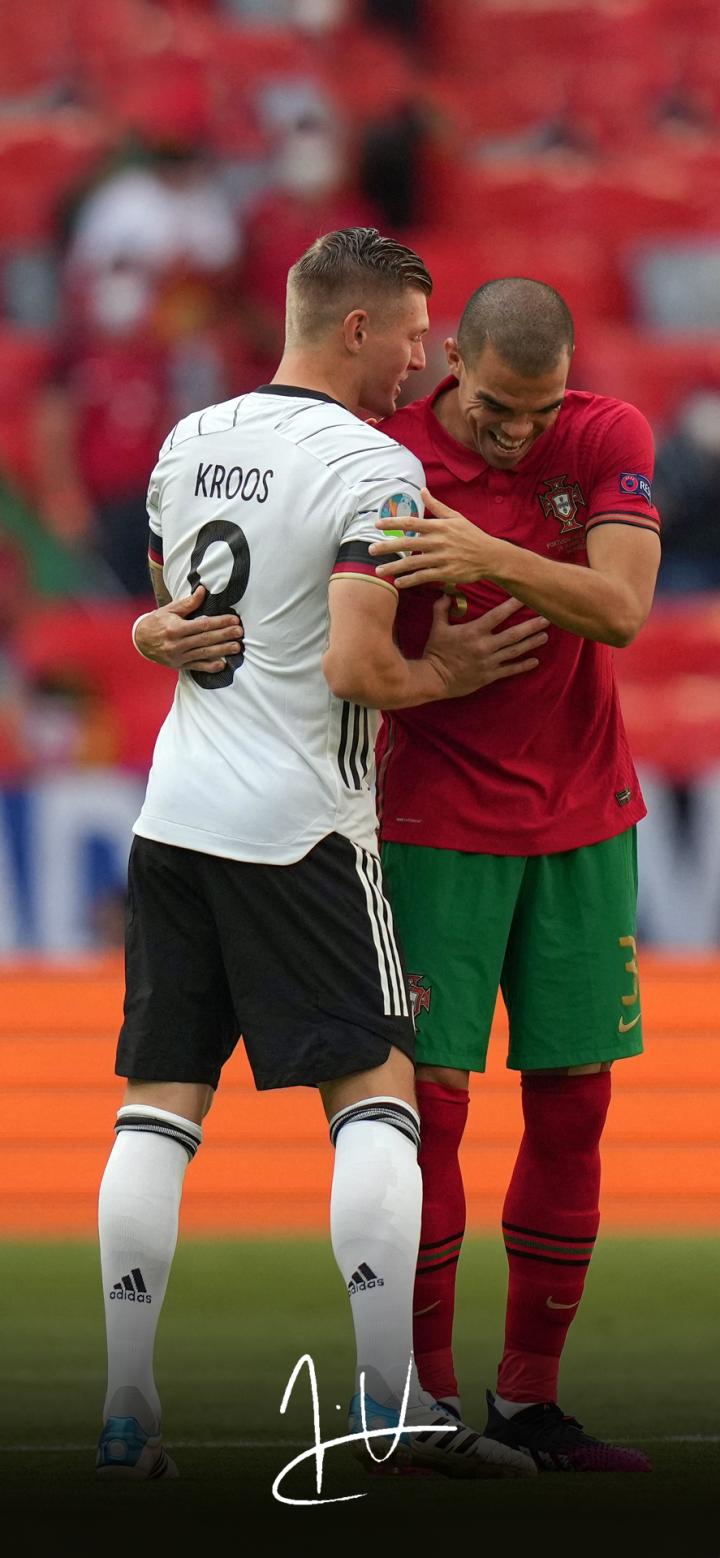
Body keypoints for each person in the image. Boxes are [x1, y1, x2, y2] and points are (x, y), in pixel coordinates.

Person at [97, 229, 539, 1484]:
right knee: (377, 1097)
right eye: (413, 335)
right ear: (356, 328)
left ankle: (127, 1411)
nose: (425, 362)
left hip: (175, 816)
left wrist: (143, 633)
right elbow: (354, 663)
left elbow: (173, 613)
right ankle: (390, 1399)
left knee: (157, 1104)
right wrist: (445, 672)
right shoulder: (371, 464)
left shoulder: (192, 438)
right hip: (302, 826)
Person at [366, 277, 660, 1473]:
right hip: (434, 819)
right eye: (496, 408)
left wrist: (485, 551)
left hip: (585, 816)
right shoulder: (385, 452)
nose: (517, 432)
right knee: (429, 1114)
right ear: (453, 362)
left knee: (575, 1105)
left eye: (538, 410)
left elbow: (623, 609)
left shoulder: (605, 433)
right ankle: (426, 1404)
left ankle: (530, 1401)